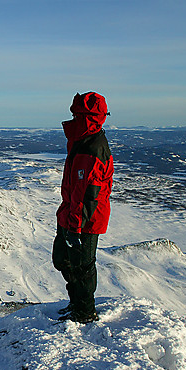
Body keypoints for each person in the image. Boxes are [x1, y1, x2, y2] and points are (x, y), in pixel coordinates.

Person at [52, 92, 114, 323]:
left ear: (87, 117)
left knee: (82, 267)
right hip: (70, 213)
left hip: (86, 220)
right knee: (62, 259)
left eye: (77, 115)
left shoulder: (93, 149)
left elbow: (90, 196)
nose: (73, 119)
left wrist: (76, 227)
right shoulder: (81, 141)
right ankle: (76, 302)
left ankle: (85, 312)